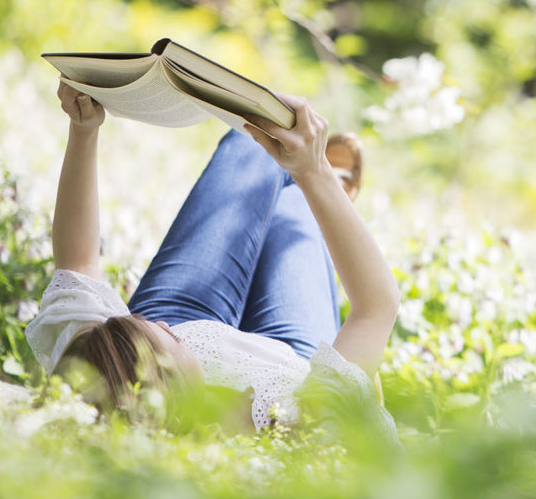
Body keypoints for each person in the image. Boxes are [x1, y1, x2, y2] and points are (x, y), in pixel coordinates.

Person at [25, 80, 400, 442]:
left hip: (193, 327)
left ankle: (308, 191)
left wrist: (83, 128)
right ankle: (317, 192)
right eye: (162, 334)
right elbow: (375, 308)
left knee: (253, 141)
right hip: (296, 367)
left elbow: (78, 264)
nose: (156, 322)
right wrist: (314, 172)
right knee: (291, 203)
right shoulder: (302, 423)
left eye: (140, 322)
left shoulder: (102, 369)